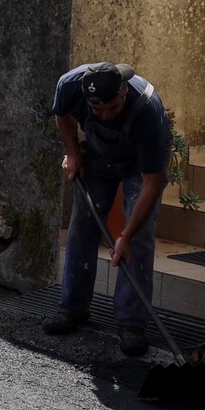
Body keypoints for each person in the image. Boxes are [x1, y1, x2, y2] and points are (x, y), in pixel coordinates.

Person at [43, 62, 171, 354]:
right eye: (97, 110)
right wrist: (73, 154)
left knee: (137, 239)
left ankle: (131, 323)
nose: (105, 115)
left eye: (112, 108)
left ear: (125, 91)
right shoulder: (68, 86)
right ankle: (72, 308)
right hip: (99, 155)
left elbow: (151, 184)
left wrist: (124, 235)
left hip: (141, 162)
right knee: (82, 227)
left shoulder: (147, 111)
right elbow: (62, 115)